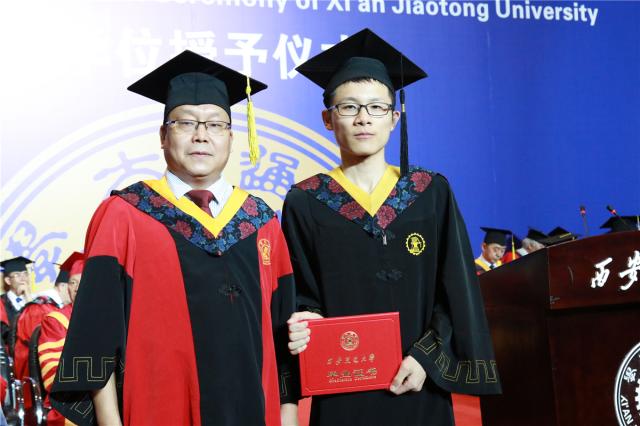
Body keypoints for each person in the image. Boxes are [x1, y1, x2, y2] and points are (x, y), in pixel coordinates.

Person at [50, 50, 299, 426]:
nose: (201, 135)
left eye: (215, 124)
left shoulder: (261, 221)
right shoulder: (126, 214)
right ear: (163, 136)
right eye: (185, 123)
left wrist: (288, 417)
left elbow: (283, 335)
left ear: (231, 138)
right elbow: (96, 333)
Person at [283, 29, 500, 426]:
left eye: (376, 107)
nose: (363, 118)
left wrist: (426, 358)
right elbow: (301, 293)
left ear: (394, 118)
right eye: (349, 107)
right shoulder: (306, 201)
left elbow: (455, 288)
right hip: (343, 386)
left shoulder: (429, 192)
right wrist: (306, 318)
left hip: (418, 382)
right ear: (328, 119)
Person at [38, 254, 84, 426]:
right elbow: (53, 373)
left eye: (83, 281)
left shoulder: (108, 317)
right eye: (73, 282)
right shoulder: (55, 320)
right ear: (67, 287)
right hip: (70, 400)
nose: (77, 288)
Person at [1, 256, 33, 338]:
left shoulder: (36, 300)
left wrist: (28, 298)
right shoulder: (1, 303)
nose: (23, 279)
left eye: (25, 274)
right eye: (17, 275)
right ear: (8, 281)